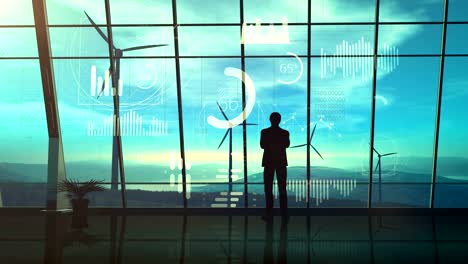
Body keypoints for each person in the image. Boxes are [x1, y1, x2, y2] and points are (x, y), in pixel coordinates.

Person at [260, 112, 290, 218]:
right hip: (281, 162)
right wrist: (278, 144)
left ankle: (269, 213)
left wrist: (271, 145)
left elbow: (262, 145)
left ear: (270, 119)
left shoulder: (264, 132)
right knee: (282, 188)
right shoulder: (285, 133)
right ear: (279, 120)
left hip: (268, 163)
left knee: (268, 188)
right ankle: (284, 213)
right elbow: (287, 144)